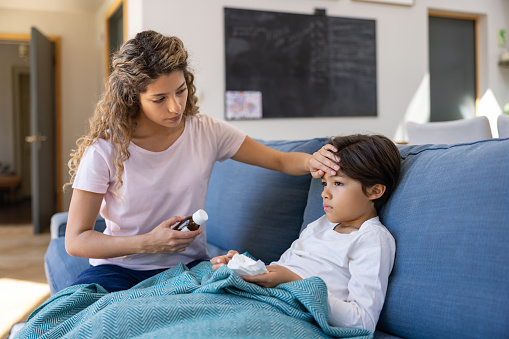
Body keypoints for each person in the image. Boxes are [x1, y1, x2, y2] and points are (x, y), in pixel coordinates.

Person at [64, 30, 336, 293]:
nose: (175, 107)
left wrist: (313, 160)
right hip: (118, 271)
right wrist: (148, 243)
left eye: (180, 91)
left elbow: (280, 161)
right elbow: (76, 240)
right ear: (132, 98)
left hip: (190, 268)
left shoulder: (207, 132)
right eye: (159, 99)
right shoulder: (104, 151)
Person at [211, 134, 401, 333]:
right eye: (324, 183)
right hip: (270, 299)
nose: (325, 193)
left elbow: (362, 322)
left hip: (291, 316)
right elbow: (281, 269)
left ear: (375, 191)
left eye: (337, 183)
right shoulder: (319, 225)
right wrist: (246, 270)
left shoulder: (371, 240)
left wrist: (294, 282)